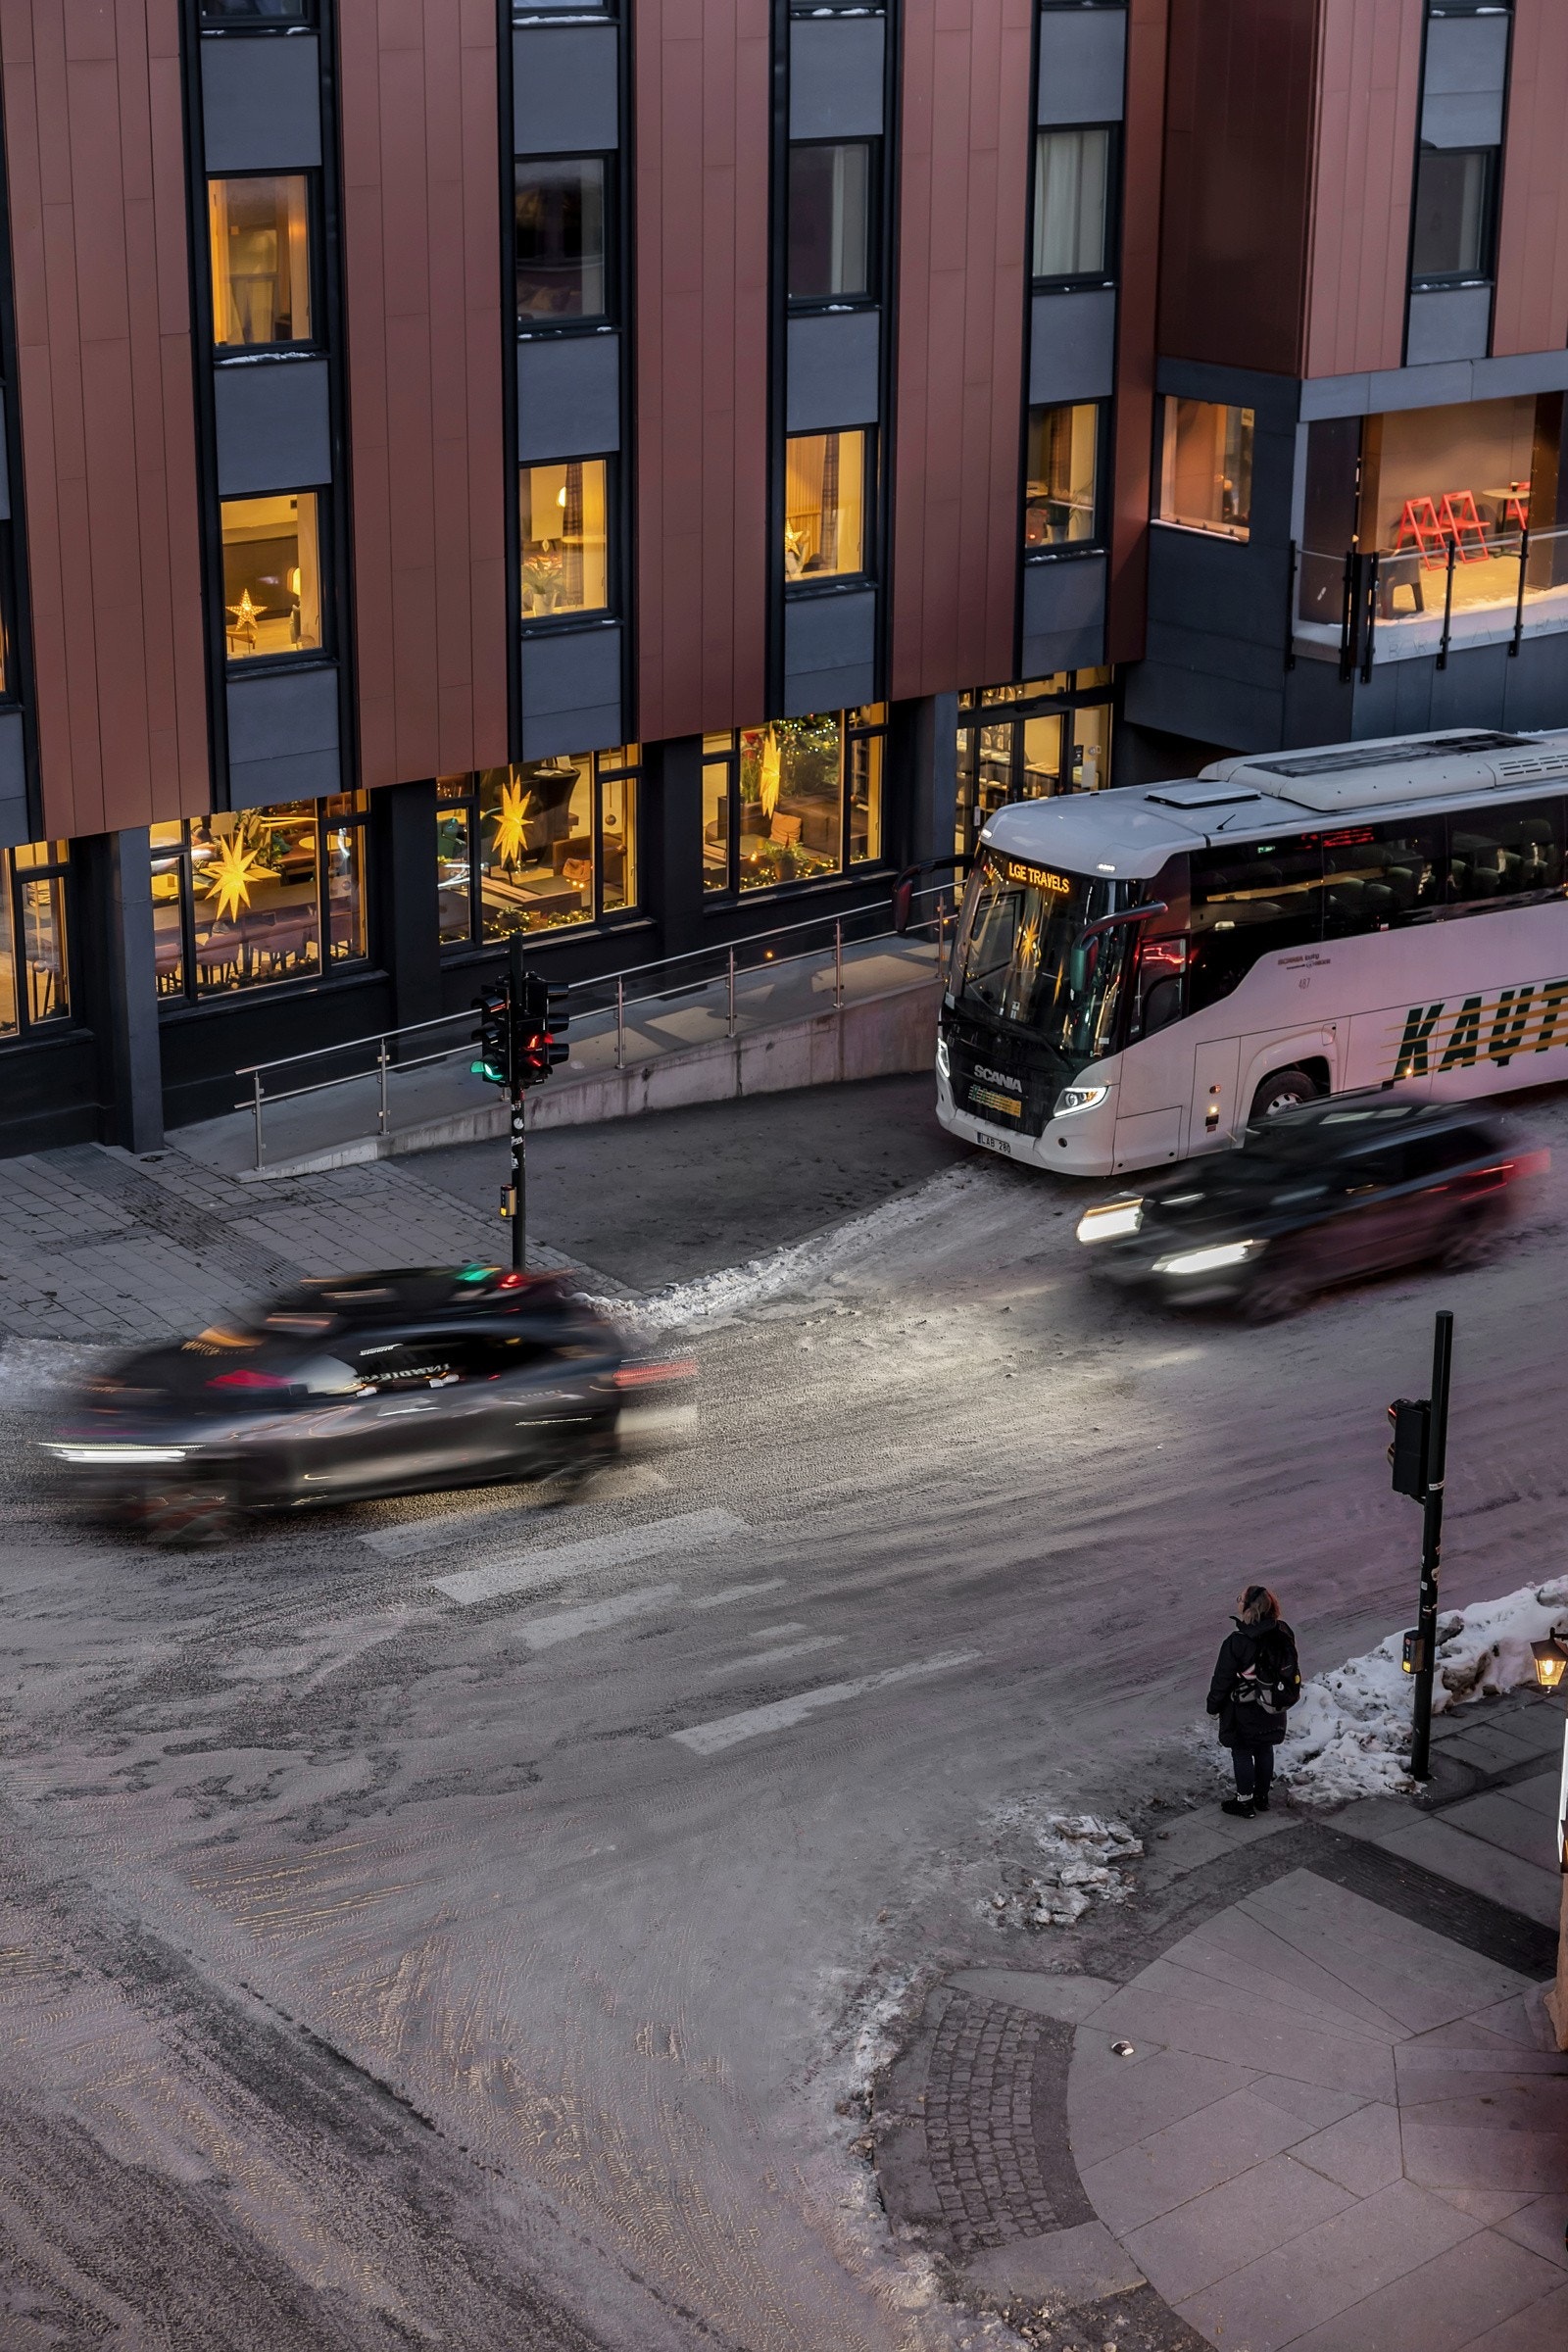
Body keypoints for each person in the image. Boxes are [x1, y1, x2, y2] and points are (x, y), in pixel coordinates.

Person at [1206, 1585, 1300, 1817]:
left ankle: (1244, 1801)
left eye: (1240, 1598)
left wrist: (1213, 1706)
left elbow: (1222, 1679)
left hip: (1243, 1707)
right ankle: (1262, 1797)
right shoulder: (1283, 1631)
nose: (1237, 1601)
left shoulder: (1237, 1641)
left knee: (1241, 1751)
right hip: (1271, 1702)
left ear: (1248, 1608)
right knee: (1264, 1747)